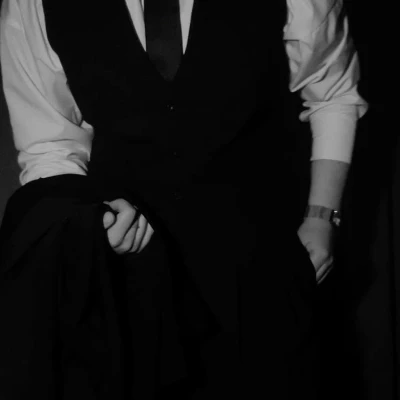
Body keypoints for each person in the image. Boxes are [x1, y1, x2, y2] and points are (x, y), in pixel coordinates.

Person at [0, 0, 368, 398]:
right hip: (131, 281)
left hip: (263, 266)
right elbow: (49, 146)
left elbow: (333, 94)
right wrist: (89, 223)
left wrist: (321, 216)